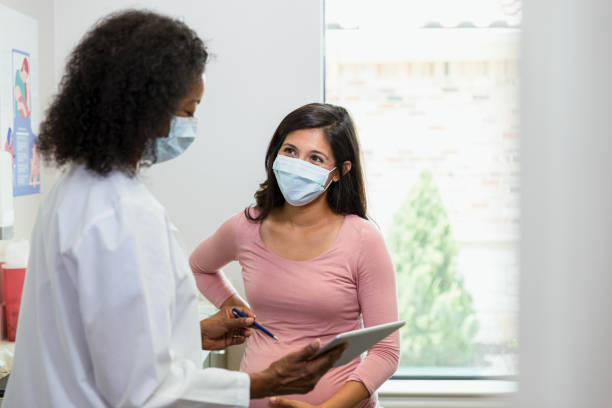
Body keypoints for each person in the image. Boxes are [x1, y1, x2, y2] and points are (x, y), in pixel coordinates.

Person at [3, 11, 344, 408]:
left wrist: (190, 334)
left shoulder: (73, 190)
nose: (191, 125)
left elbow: (100, 340)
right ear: (142, 109)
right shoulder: (123, 216)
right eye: (187, 111)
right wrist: (265, 383)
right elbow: (141, 391)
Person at [190, 103, 400, 408]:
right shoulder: (247, 226)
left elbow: (386, 352)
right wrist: (234, 305)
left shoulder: (363, 239)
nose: (298, 164)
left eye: (315, 158)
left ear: (340, 172)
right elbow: (199, 267)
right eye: (290, 151)